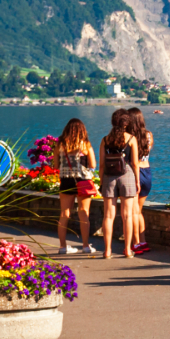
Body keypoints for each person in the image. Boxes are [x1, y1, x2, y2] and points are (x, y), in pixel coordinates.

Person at [98, 110, 140, 259]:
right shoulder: (131, 139)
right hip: (127, 174)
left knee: (108, 216)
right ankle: (128, 250)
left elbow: (101, 165)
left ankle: (107, 251)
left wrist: (101, 181)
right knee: (127, 216)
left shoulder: (105, 139)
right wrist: (137, 181)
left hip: (109, 176)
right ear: (127, 123)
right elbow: (135, 163)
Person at [53, 118, 98, 254]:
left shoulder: (60, 144)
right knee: (84, 213)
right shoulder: (85, 144)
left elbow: (55, 165)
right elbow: (93, 165)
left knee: (64, 213)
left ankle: (62, 246)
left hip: (66, 180)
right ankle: (85, 245)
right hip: (82, 180)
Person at [127, 107, 153, 255]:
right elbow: (147, 153)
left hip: (135, 172)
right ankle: (142, 241)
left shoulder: (129, 137)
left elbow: (133, 159)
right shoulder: (149, 135)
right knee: (139, 211)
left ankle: (136, 243)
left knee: (134, 211)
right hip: (147, 172)